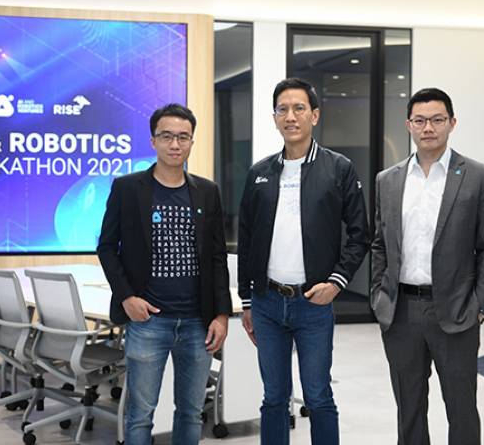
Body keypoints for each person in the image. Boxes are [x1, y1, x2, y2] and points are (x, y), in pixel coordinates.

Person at [238, 77, 369, 445]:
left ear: (314, 115)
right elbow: (247, 239)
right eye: (282, 109)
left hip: (313, 303)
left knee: (318, 396)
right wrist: (247, 300)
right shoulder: (259, 172)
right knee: (273, 399)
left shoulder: (338, 168)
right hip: (266, 303)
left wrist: (337, 282)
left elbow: (360, 233)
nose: (290, 116)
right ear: (274, 118)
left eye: (299, 108)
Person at [371, 88, 484, 445]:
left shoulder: (477, 176)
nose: (428, 127)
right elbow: (380, 243)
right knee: (409, 409)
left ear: (452, 123)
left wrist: (481, 305)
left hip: (456, 312)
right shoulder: (388, 180)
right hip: (400, 312)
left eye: (437, 119)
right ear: (408, 125)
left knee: (461, 409)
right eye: (420, 120)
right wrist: (379, 296)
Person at [97, 103, 232, 445]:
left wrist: (221, 314)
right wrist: (127, 297)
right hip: (148, 322)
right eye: (167, 136)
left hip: (197, 323)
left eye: (183, 137)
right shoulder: (128, 188)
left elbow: (217, 256)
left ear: (192, 142)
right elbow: (107, 247)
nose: (175, 144)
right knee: (140, 414)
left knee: (191, 412)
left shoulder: (208, 192)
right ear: (153, 141)